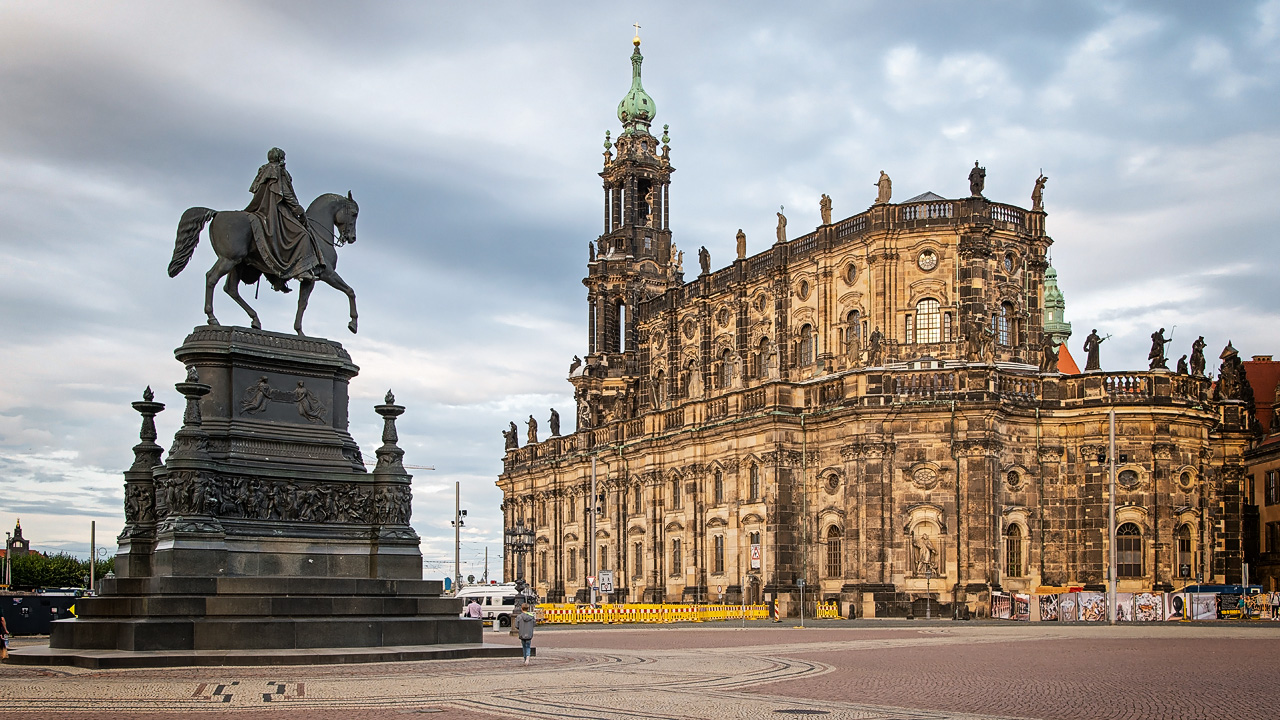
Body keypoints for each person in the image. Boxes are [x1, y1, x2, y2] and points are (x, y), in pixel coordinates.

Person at [244, 147, 325, 288]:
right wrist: (298, 209)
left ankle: (277, 279)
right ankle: (302, 271)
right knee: (302, 234)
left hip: (261, 209)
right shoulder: (278, 172)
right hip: (276, 210)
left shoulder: (263, 171)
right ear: (280, 158)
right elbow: (285, 194)